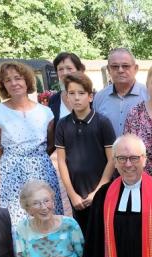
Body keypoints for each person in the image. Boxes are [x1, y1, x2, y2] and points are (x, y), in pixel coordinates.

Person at [0, 61, 64, 225]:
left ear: (26, 80)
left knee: (48, 211)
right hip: (13, 171)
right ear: (3, 85)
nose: (14, 83)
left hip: (42, 169)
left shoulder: (45, 112)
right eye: (8, 80)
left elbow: (50, 144)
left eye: (18, 78)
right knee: (18, 217)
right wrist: (12, 158)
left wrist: (35, 158)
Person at [55, 71, 116, 235]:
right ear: (67, 96)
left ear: (90, 96)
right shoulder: (62, 125)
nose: (76, 98)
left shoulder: (103, 122)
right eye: (72, 93)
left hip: (101, 191)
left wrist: (98, 191)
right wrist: (72, 194)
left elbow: (112, 160)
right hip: (77, 193)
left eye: (81, 93)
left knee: (105, 233)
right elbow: (61, 162)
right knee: (83, 235)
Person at [94, 48, 148, 137]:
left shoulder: (148, 95)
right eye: (115, 66)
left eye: (125, 66)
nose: (120, 70)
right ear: (108, 69)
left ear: (136, 68)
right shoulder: (99, 97)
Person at [48, 52, 86, 121]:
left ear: (78, 70)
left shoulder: (91, 98)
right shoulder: (54, 100)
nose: (65, 73)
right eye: (60, 69)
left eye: (69, 68)